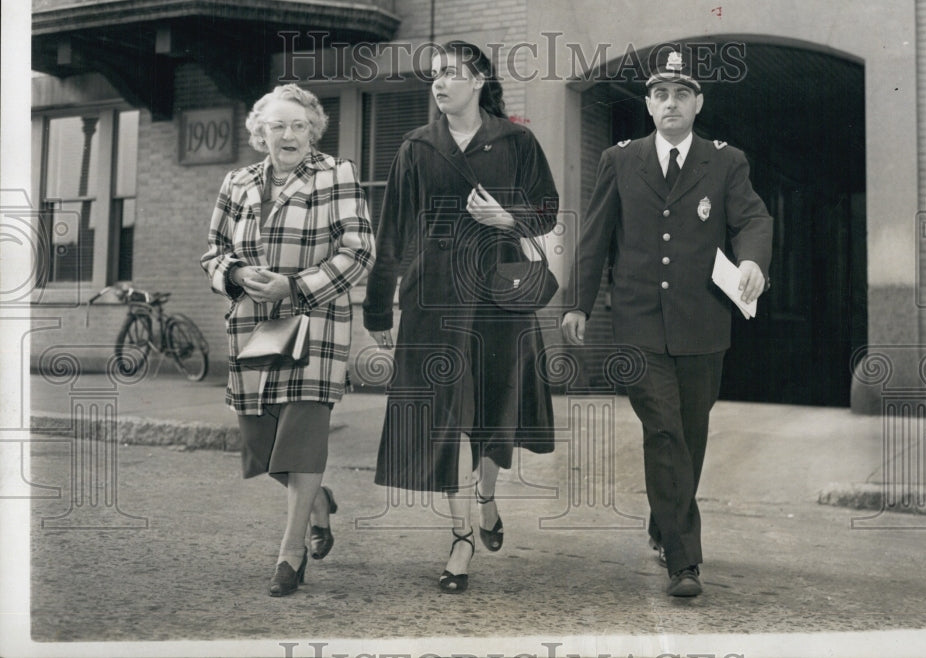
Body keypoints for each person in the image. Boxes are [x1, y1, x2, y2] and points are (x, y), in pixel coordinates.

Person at [561, 51, 772, 597]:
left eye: (681, 94)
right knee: (663, 429)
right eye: (660, 95)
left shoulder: (725, 162)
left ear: (698, 103)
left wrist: (751, 260)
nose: (671, 103)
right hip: (637, 323)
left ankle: (664, 524)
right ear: (649, 106)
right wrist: (578, 304)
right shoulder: (620, 159)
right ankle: (685, 559)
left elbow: (752, 218)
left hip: (703, 323)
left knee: (690, 434)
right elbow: (596, 236)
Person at [364, 41, 558, 593]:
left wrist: (508, 216)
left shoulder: (516, 140)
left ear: (478, 81)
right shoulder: (416, 146)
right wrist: (378, 307)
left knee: (494, 410)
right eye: (434, 75)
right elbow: (393, 233)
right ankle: (461, 537)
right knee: (444, 419)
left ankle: (487, 498)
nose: (439, 83)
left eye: (451, 73)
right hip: (433, 300)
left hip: (499, 297)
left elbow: (546, 209)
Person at [201, 83, 375, 597]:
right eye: (277, 125)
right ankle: (318, 502)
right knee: (260, 444)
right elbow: (212, 251)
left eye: (299, 125)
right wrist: (233, 274)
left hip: (314, 323)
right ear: (260, 133)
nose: (289, 134)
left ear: (313, 131)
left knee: (300, 439)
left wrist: (295, 285)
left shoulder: (335, 174)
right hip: (253, 327)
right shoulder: (237, 182)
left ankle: (290, 552)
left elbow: (358, 250)